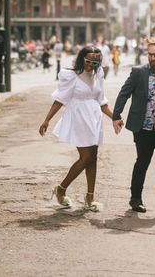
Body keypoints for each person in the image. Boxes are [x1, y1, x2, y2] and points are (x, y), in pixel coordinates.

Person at [112, 37, 155, 219]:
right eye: (150, 55)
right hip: (142, 128)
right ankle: (135, 199)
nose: (152, 58)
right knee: (142, 163)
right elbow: (124, 94)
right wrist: (116, 115)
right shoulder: (138, 73)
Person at [39, 45, 113, 211]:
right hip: (79, 118)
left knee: (93, 157)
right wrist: (47, 120)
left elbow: (102, 101)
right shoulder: (71, 76)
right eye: (88, 61)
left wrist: (114, 117)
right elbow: (60, 99)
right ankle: (61, 189)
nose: (91, 65)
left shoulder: (98, 74)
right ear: (82, 59)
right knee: (86, 158)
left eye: (95, 62)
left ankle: (90, 198)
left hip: (94, 118)